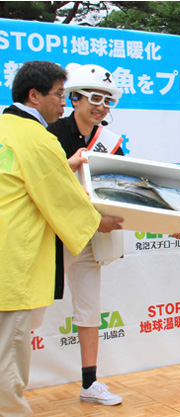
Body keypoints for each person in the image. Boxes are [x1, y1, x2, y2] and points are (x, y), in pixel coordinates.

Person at [0, 60, 122, 416]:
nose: (62, 102)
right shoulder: (38, 138)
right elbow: (60, 197)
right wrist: (100, 222)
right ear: (34, 96)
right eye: (58, 95)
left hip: (11, 250)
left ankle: (88, 381)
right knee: (11, 349)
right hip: (20, 256)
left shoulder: (5, 127)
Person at [46, 63, 125, 406]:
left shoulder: (110, 141)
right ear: (74, 98)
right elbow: (45, 187)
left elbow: (121, 188)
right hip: (48, 236)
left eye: (108, 101)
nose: (101, 106)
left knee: (90, 309)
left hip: (90, 237)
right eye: (95, 98)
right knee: (29, 310)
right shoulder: (50, 134)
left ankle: (90, 382)